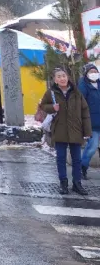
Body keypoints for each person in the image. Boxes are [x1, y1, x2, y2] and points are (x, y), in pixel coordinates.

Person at [42, 67, 91, 195]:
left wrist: (87, 131)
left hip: (76, 129)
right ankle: (63, 183)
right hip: (60, 129)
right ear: (55, 80)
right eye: (59, 76)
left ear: (67, 77)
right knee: (61, 158)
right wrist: (52, 107)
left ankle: (77, 183)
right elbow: (43, 106)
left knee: (77, 159)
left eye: (64, 76)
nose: (62, 78)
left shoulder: (76, 92)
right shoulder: (50, 92)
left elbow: (85, 112)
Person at [79, 62, 100, 179]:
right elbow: (81, 103)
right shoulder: (83, 86)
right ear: (86, 74)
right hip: (92, 123)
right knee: (92, 147)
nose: (94, 74)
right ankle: (83, 167)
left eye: (95, 71)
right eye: (91, 72)